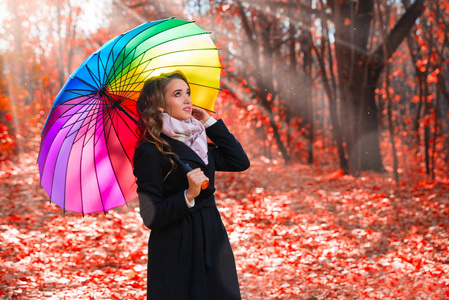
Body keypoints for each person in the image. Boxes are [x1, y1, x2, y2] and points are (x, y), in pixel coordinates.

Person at [133, 70, 250, 300]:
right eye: (177, 94)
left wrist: (209, 122)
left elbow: (240, 161)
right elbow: (150, 216)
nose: (187, 99)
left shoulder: (198, 140)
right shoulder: (149, 151)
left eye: (187, 92)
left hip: (212, 236)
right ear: (160, 106)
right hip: (178, 245)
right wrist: (188, 195)